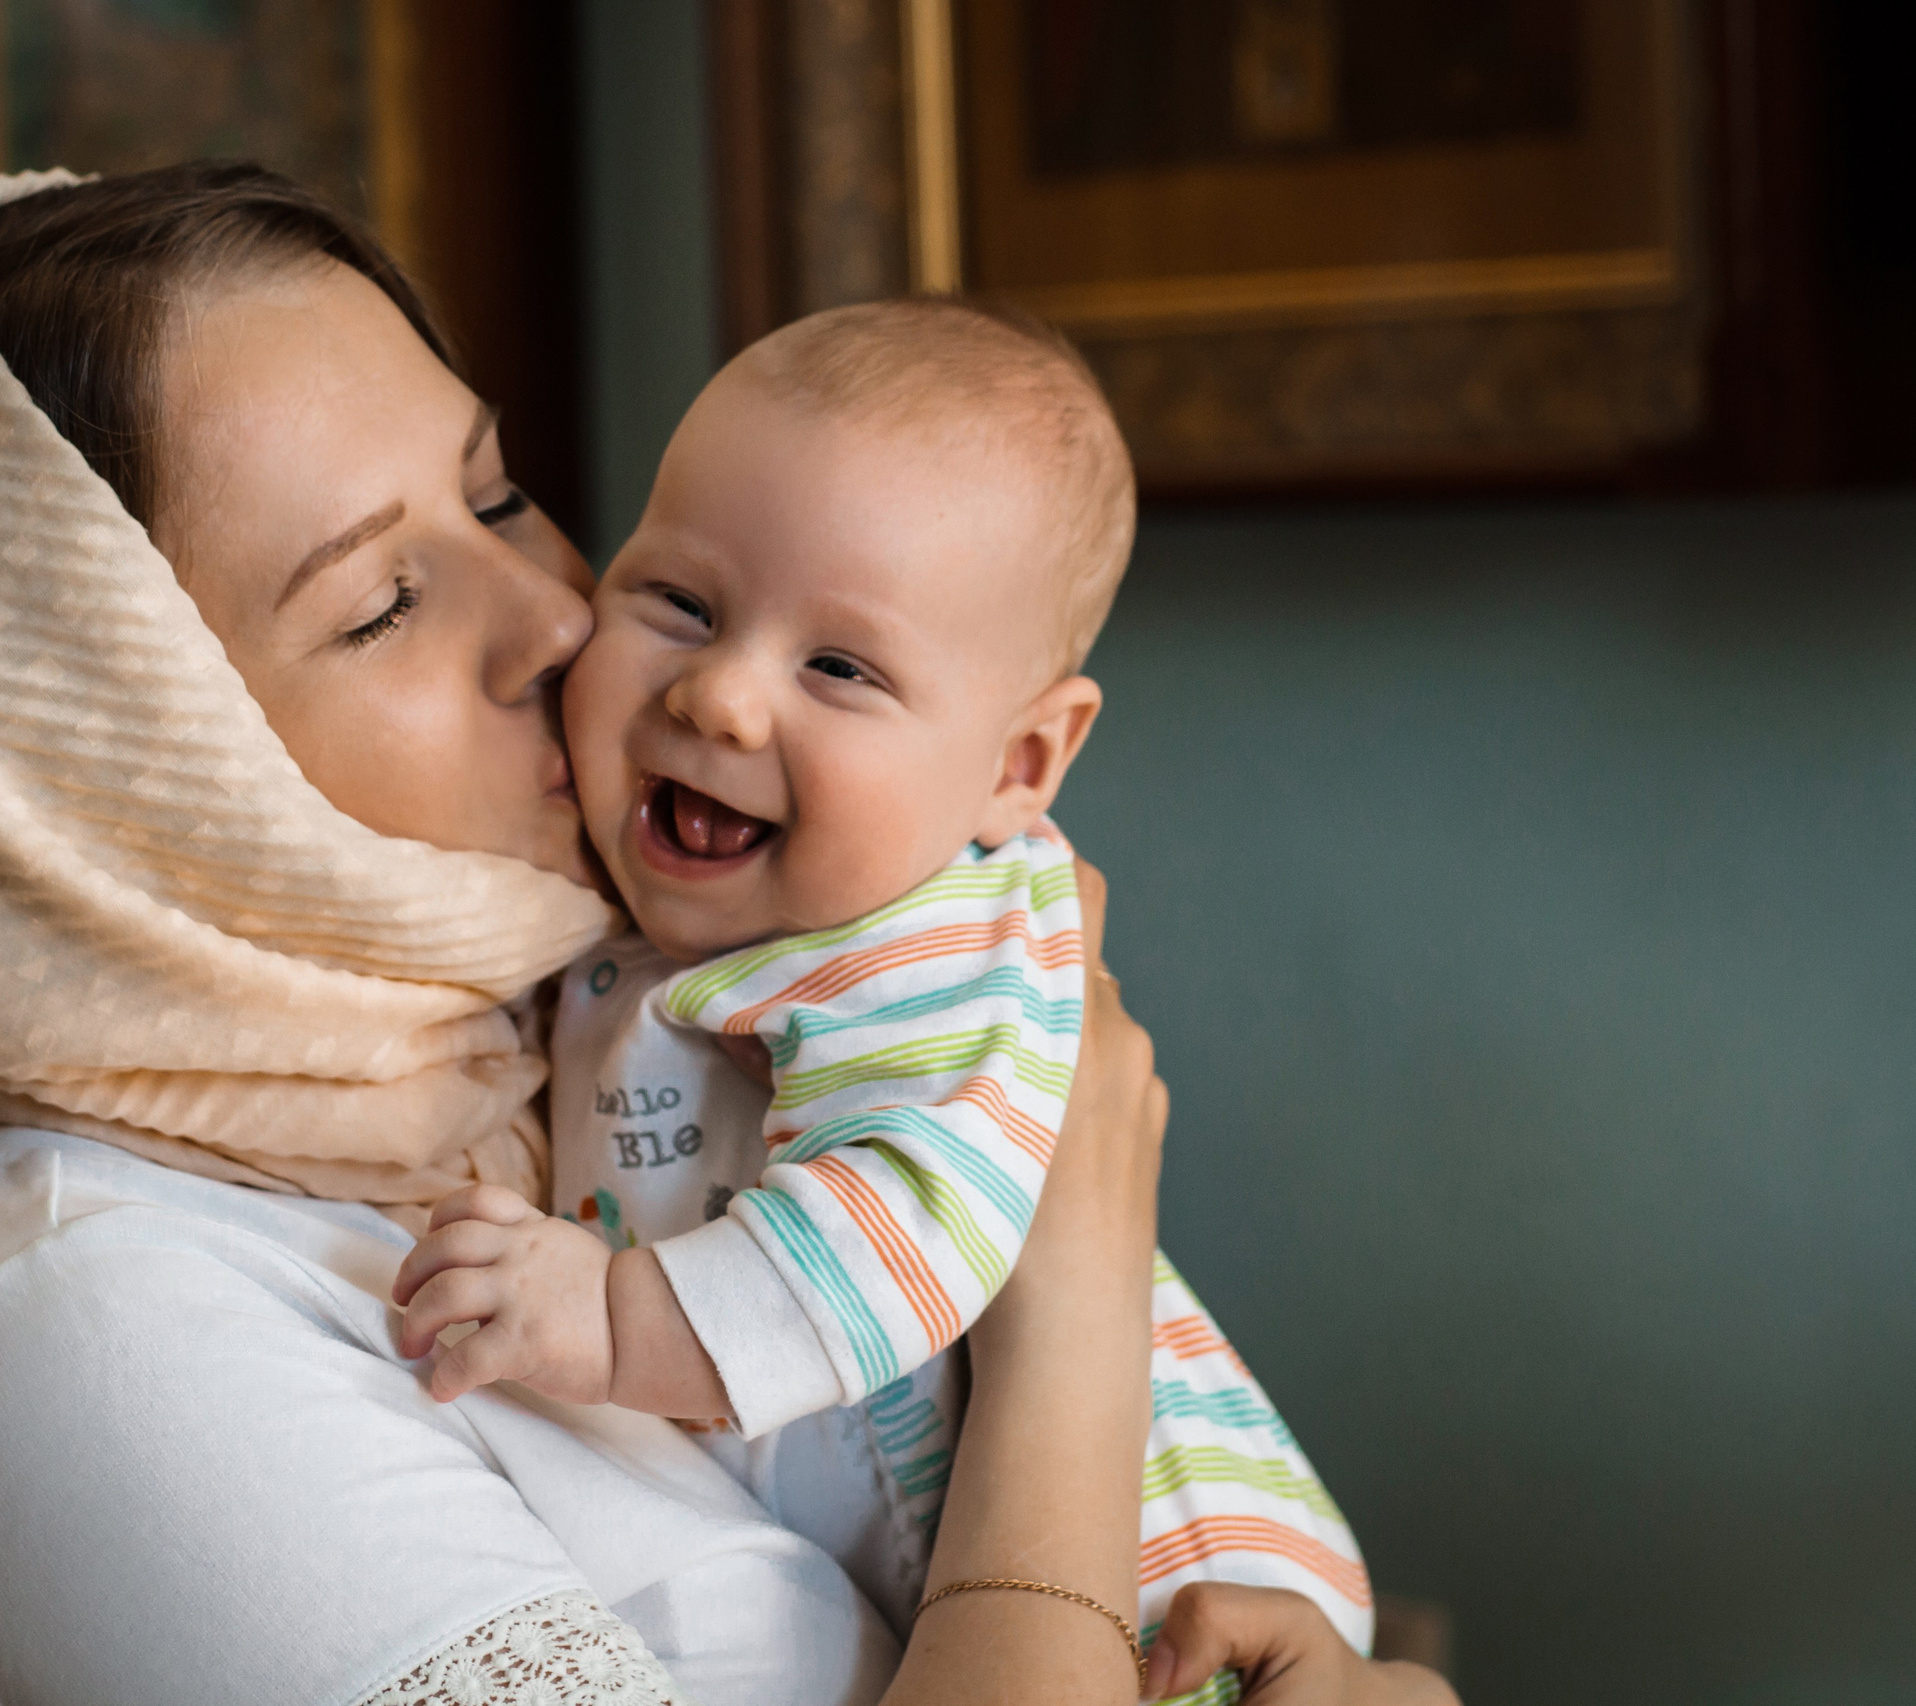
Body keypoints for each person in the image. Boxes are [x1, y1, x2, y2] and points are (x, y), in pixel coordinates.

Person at [0, 161, 1452, 1704]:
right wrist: (1065, 1308)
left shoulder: (540, 1080)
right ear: (108, 780)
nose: (563, 619)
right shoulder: (98, 1347)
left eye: (495, 498)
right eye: (382, 604)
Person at [386, 299, 1371, 1657]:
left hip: (1165, 1604)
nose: (720, 696)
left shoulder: (941, 945)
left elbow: (899, 1229)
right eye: (679, 603)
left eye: (839, 667)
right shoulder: (653, 897)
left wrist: (607, 1319)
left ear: (1018, 766)